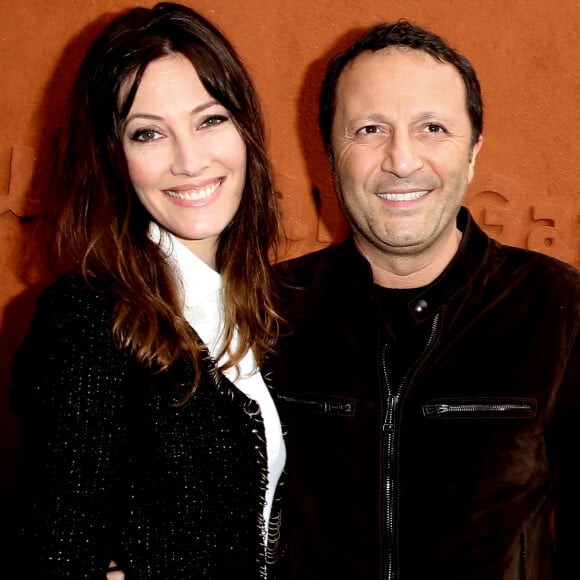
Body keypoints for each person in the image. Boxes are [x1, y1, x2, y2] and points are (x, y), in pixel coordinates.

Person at [269, 19, 580, 580]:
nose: (402, 160)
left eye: (433, 127)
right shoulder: (266, 308)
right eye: (368, 129)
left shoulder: (559, 308)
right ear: (329, 150)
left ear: (474, 150)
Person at [10, 3, 286, 578]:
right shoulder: (85, 320)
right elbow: (55, 552)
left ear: (245, 129)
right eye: (148, 133)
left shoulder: (268, 305)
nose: (189, 160)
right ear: (114, 157)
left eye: (210, 120)